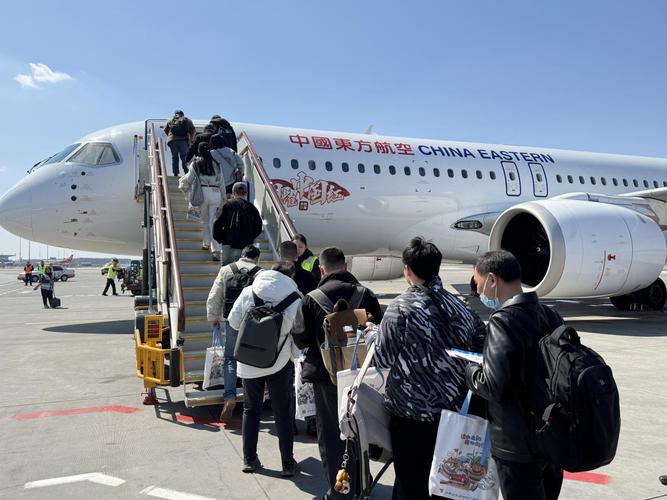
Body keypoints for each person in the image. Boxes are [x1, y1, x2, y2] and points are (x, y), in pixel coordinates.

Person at [372, 237, 487, 500]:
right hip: (453, 413)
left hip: (410, 413)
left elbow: (383, 358)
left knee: (410, 483)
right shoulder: (461, 307)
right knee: (446, 484)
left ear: (407, 270)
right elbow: (479, 351)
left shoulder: (400, 307)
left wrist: (372, 337)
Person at [465, 250, 564, 500]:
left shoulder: (503, 321)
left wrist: (470, 369)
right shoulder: (550, 315)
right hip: (552, 436)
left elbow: (494, 386)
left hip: (517, 443)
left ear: (492, 280)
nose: (479, 292)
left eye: (478, 284)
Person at [292, 247, 383, 500]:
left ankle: (340, 490)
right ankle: (362, 484)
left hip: (327, 377)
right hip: (362, 375)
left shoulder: (311, 299)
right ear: (346, 267)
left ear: (322, 269)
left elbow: (300, 337)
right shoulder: (365, 294)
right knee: (360, 430)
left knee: (333, 435)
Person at [227, 262, 301, 477]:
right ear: (290, 276)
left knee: (251, 410)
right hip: (279, 361)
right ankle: (287, 463)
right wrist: (293, 355)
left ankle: (249, 460)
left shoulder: (248, 292)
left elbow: (233, 321)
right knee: (283, 412)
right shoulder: (296, 298)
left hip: (249, 361)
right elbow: (297, 333)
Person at [206, 245, 262, 422]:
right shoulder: (261, 273)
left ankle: (229, 396)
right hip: (253, 322)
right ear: (257, 258)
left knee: (230, 358)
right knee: (250, 359)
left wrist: (213, 317)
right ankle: (249, 398)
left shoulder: (226, 270)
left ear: (241, 256)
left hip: (231, 320)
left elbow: (215, 296)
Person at [179, 142, 227, 260]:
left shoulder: (195, 163)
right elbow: (221, 182)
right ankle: (216, 251)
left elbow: (189, 179)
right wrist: (224, 198)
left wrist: (183, 184)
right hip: (215, 192)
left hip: (202, 193)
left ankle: (206, 243)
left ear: (199, 151)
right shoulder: (216, 164)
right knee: (213, 222)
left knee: (205, 221)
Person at [213, 182, 263, 266]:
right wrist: (250, 237)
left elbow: (217, 224)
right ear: (246, 194)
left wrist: (221, 239)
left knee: (227, 270)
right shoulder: (252, 208)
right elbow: (258, 227)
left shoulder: (227, 205)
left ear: (233, 193)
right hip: (246, 246)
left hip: (228, 243)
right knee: (244, 270)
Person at [164, 110, 196, 176]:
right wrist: (191, 139)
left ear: (175, 114)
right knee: (184, 157)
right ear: (183, 114)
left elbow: (165, 129)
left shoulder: (170, 120)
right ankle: (186, 171)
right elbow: (193, 130)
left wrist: (170, 136)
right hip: (183, 141)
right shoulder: (188, 121)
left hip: (172, 141)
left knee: (174, 157)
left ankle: (175, 173)